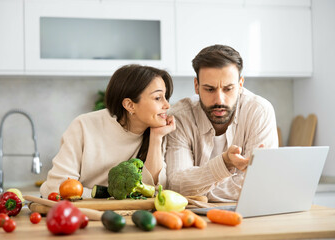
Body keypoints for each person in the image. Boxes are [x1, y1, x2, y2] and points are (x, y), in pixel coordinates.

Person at [40, 64, 176, 198]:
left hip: (122, 213)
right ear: (130, 105)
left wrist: (156, 138)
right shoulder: (84, 126)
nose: (167, 105)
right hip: (79, 211)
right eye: (158, 98)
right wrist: (110, 197)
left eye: (165, 97)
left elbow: (151, 190)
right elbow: (57, 187)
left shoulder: (158, 131)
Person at [165, 44, 278, 202]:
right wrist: (224, 163)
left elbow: (260, 184)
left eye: (228, 89)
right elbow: (176, 184)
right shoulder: (179, 117)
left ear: (240, 84)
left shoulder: (259, 111)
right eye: (210, 89)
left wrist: (199, 190)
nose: (219, 100)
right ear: (196, 86)